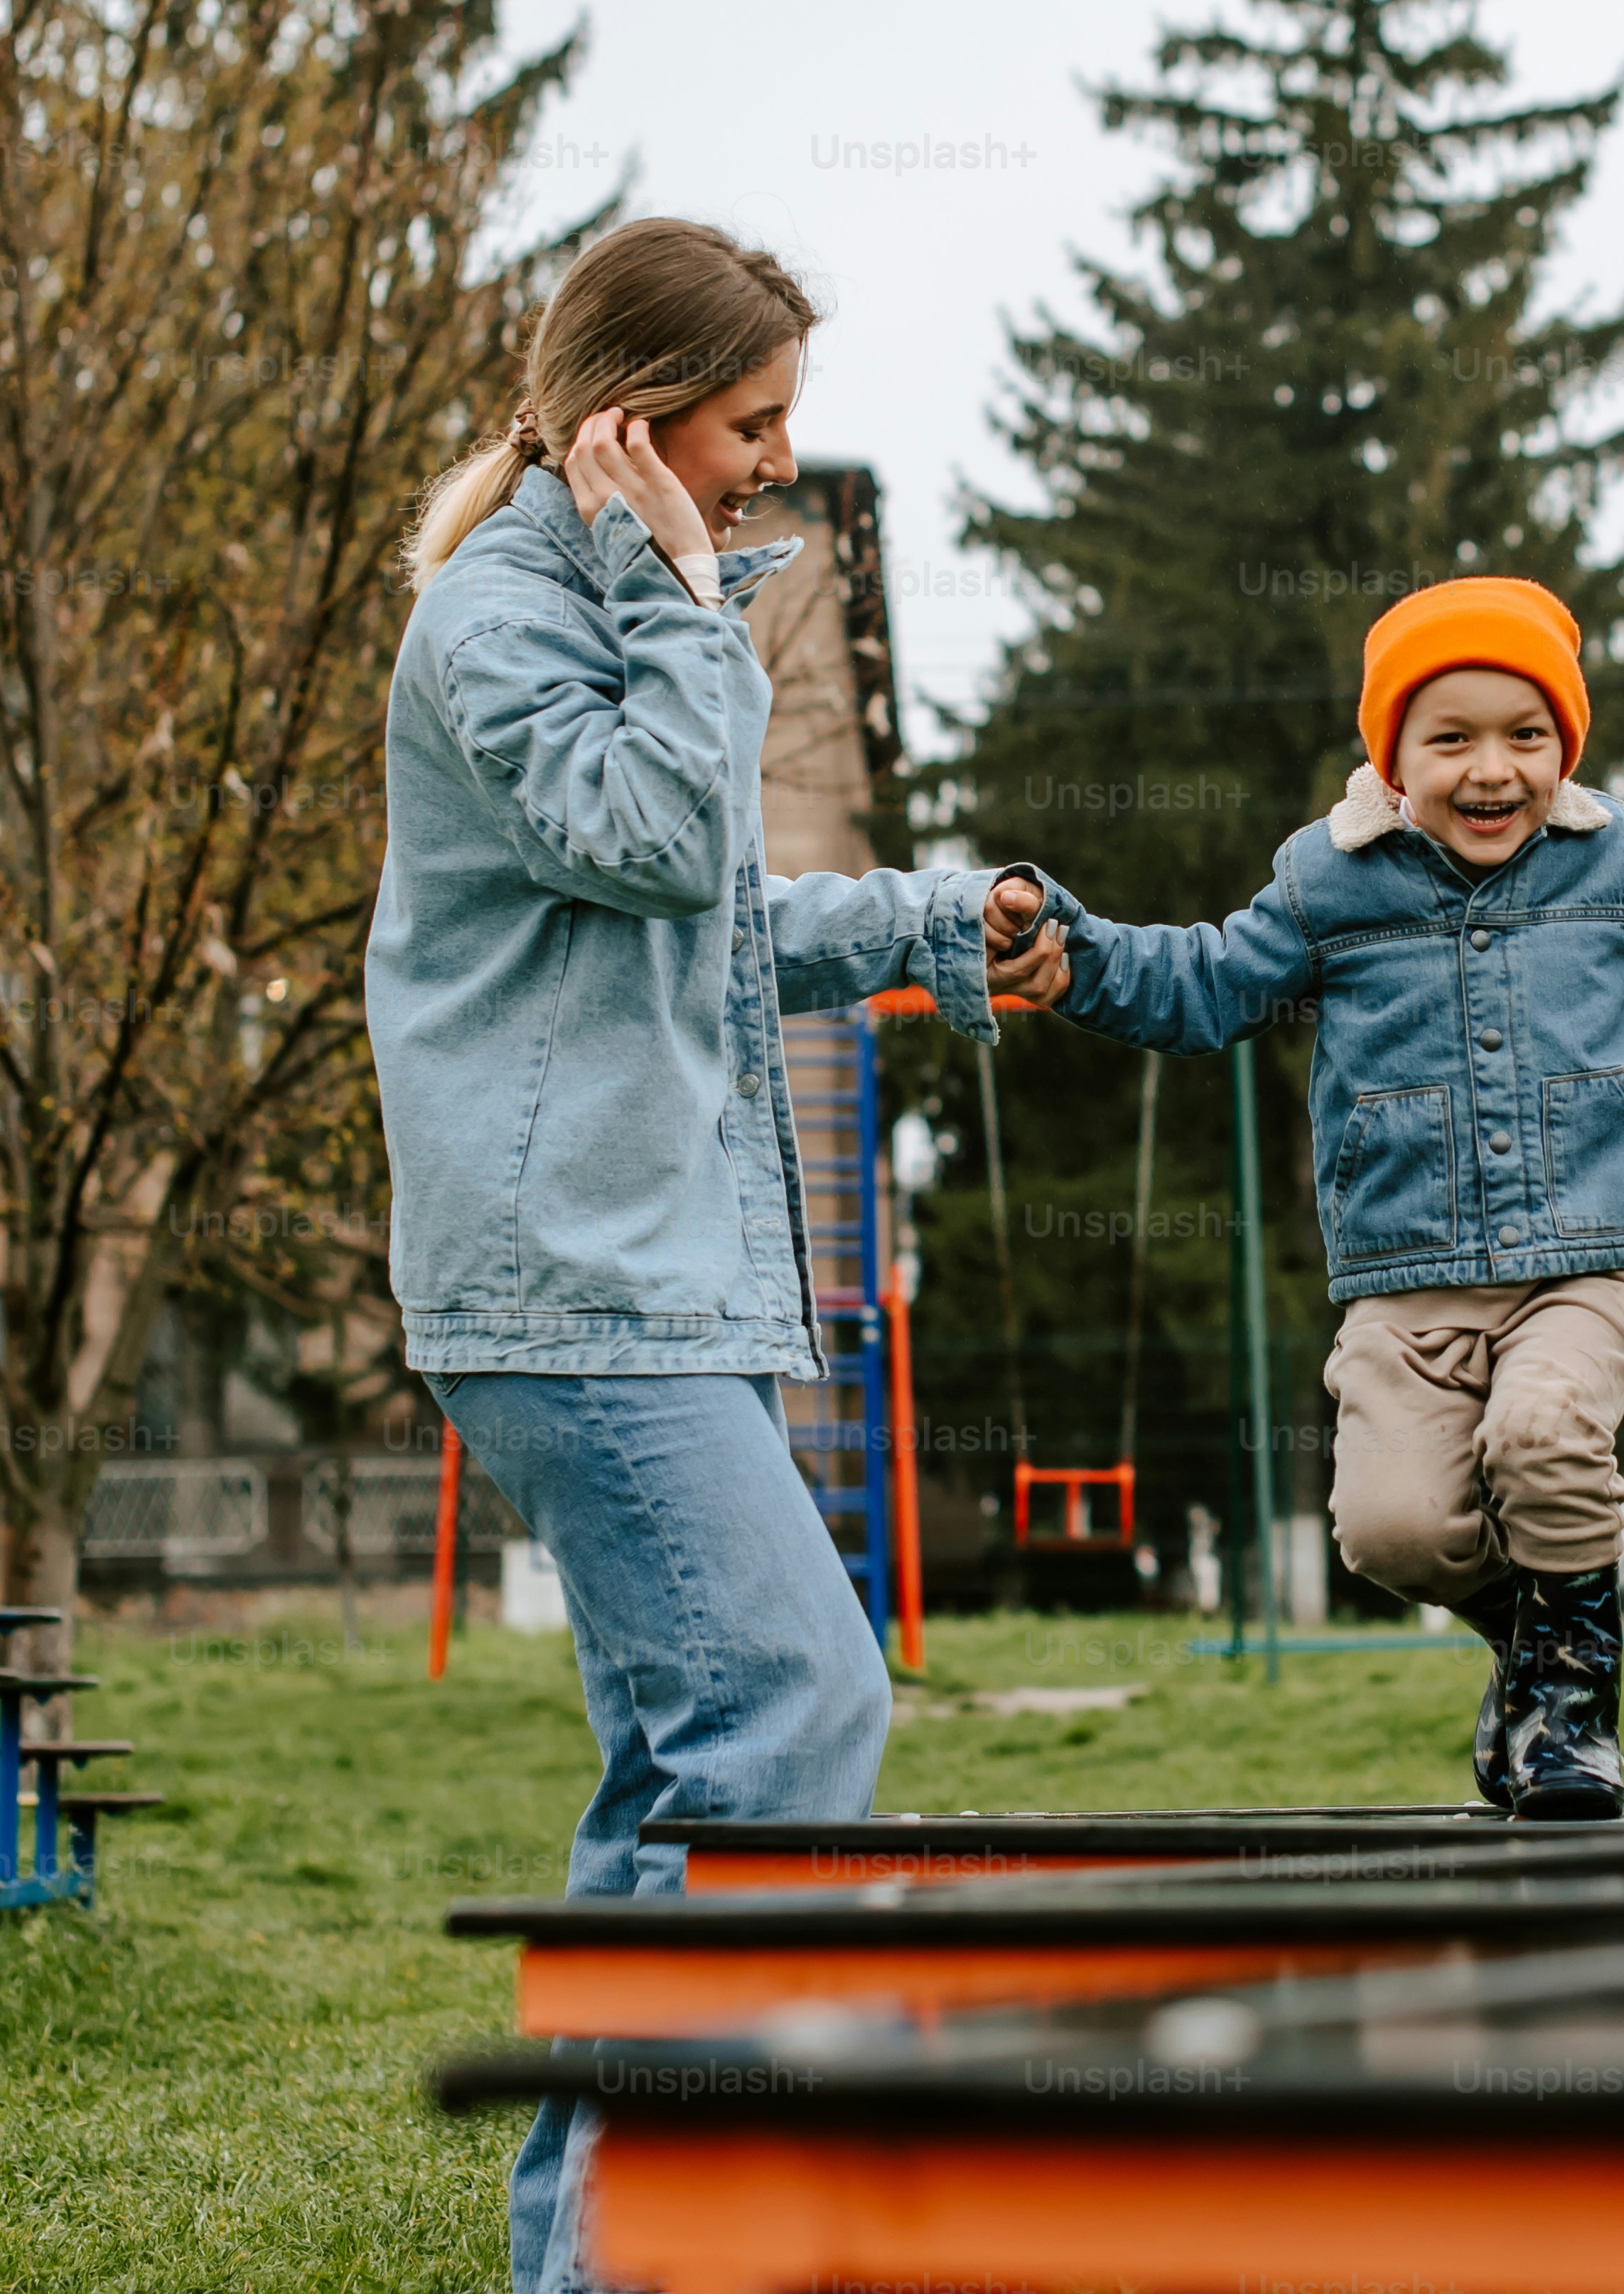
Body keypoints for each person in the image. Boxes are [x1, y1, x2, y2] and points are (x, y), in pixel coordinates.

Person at [362, 218, 1070, 2294]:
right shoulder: (503, 616)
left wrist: (948, 925)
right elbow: (668, 838)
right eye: (750, 422)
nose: (771, 463)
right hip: (573, 1282)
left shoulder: (601, 611)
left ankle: (593, 2250)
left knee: (687, 1773)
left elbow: (714, 921)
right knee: (788, 1712)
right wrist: (690, 604)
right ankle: (629, 2257)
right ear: (633, 422)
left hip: (640, 1276)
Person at [1023, 579, 1624, 1817]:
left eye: (1526, 735)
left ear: (1565, 746)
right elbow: (1203, 984)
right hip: (1407, 1276)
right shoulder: (1330, 884)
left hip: (1589, 1255)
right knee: (1389, 1532)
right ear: (1390, 756)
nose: (1492, 770)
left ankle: (1573, 1712)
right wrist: (1074, 952)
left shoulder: (1609, 857)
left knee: (1542, 1441)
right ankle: (1541, 1649)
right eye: (1452, 739)